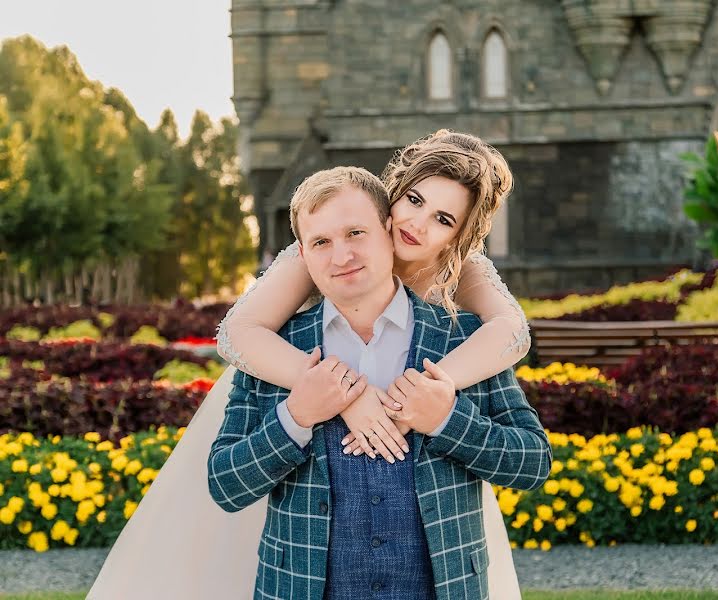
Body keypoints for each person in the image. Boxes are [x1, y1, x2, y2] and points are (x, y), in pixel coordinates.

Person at [87, 131, 534, 599]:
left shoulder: (461, 283)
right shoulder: (325, 249)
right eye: (414, 200)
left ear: (460, 235)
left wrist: (436, 394)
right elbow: (239, 333)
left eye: (442, 218)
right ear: (392, 195)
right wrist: (340, 395)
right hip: (288, 397)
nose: (418, 225)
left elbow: (510, 331)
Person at [209, 166, 550, 599]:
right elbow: (225, 485)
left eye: (356, 233)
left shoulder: (464, 339)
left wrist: (448, 418)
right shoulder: (274, 346)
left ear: (388, 231)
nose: (341, 256)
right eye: (321, 243)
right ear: (303, 252)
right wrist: (297, 416)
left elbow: (532, 464)